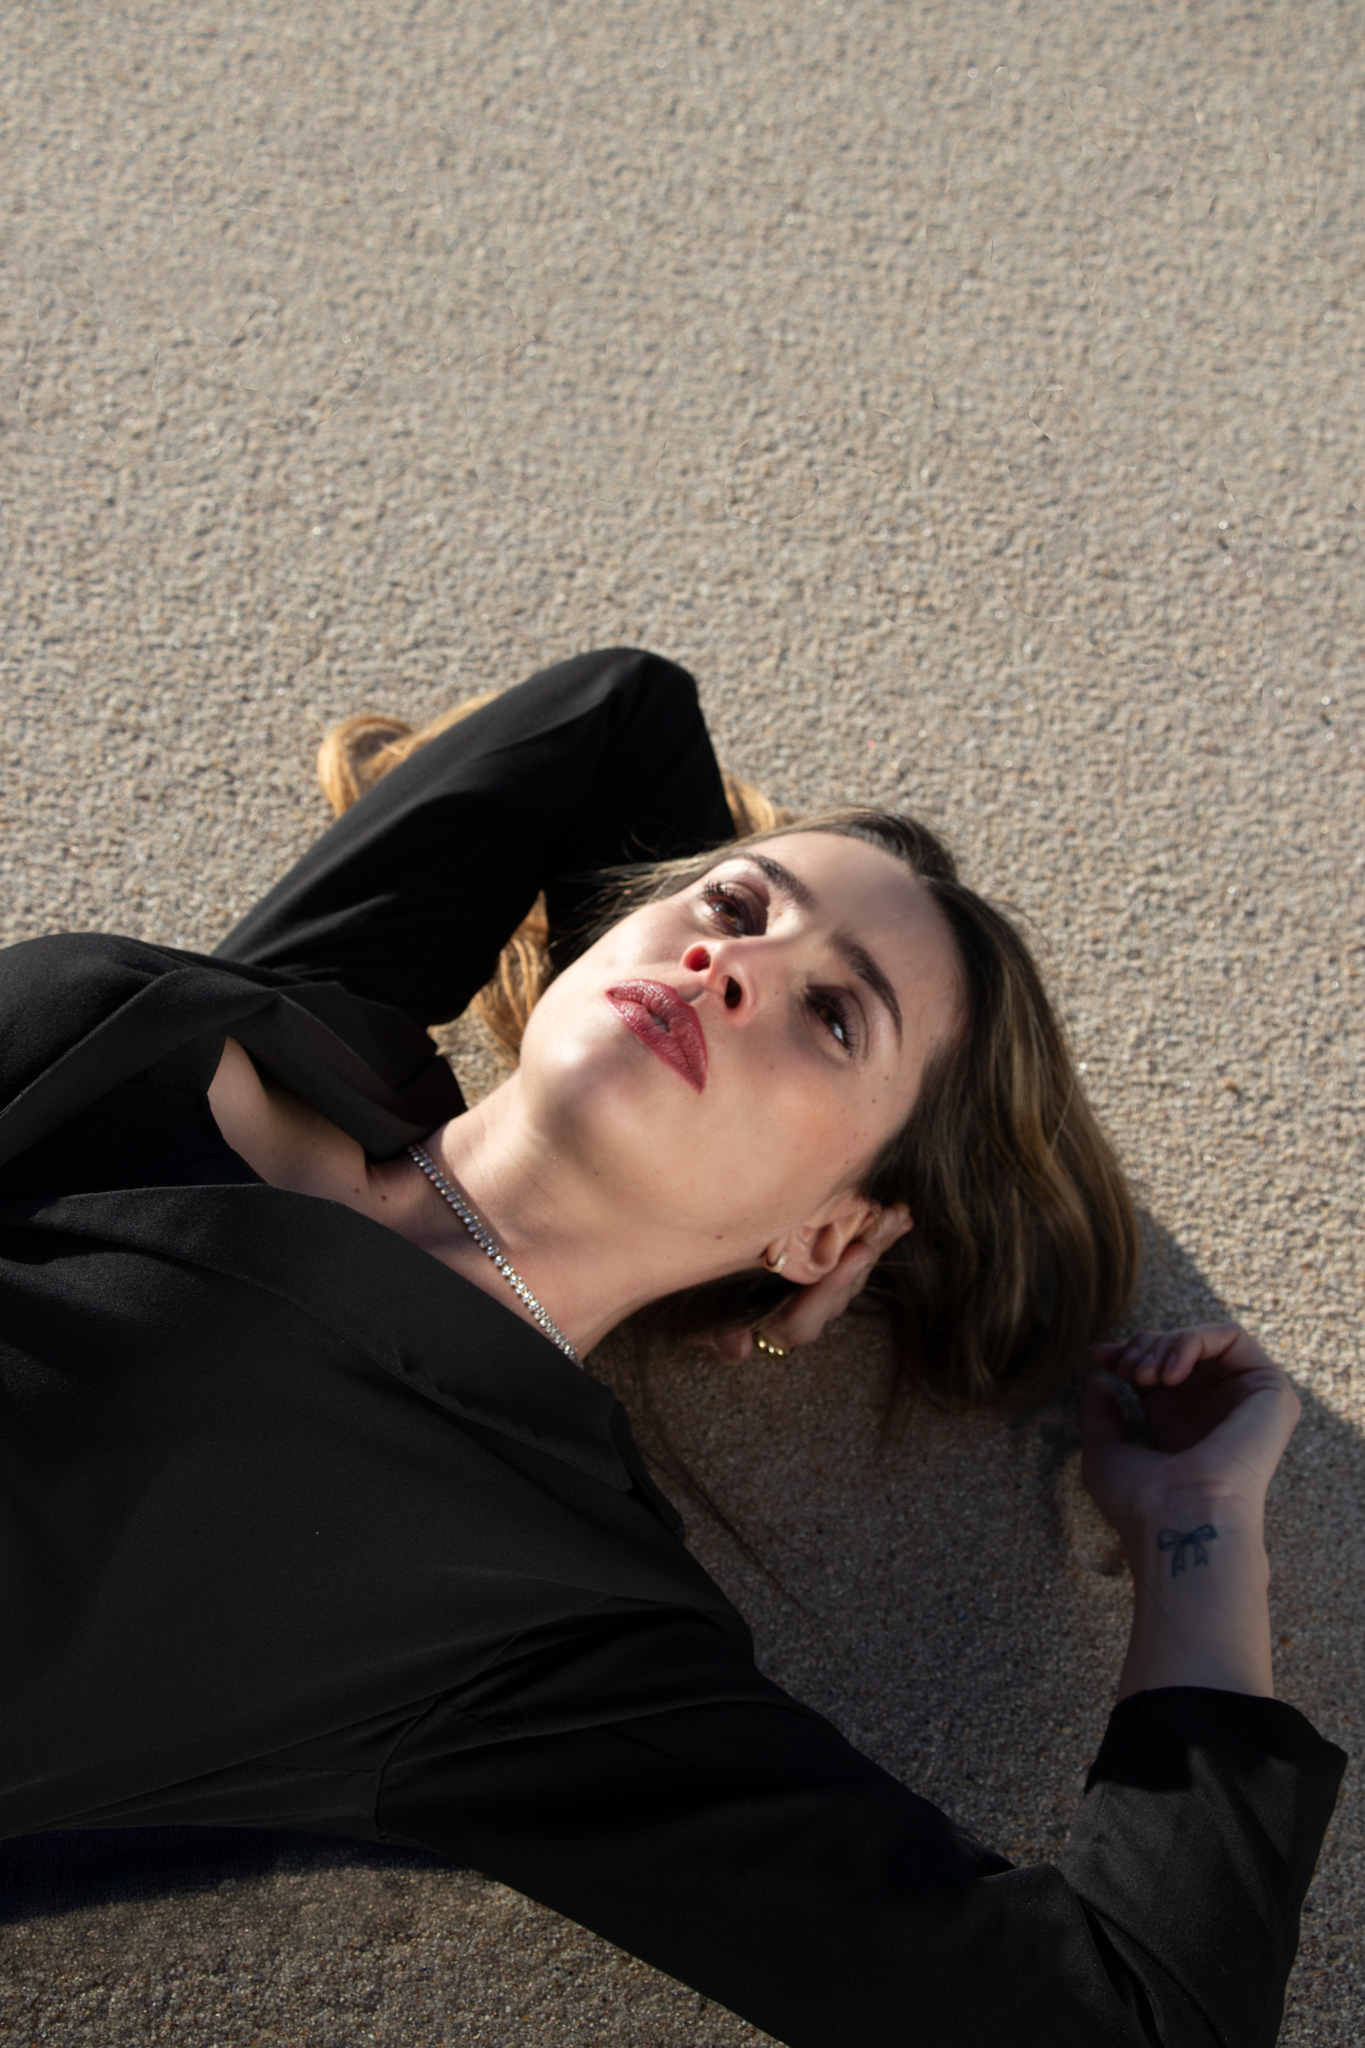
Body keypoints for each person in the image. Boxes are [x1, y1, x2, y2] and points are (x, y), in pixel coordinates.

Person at [0, 646, 1345, 2048]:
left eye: (833, 1015)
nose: (728, 963)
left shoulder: (547, 1617)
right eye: (734, 905)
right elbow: (616, 711)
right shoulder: (244, 1023)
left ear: (832, 1236)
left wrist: (1198, 1537)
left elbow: (1130, 2024)